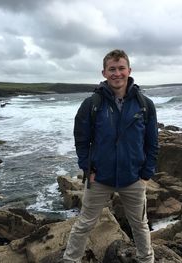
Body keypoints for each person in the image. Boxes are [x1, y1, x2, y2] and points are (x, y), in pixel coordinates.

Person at [63, 49, 158, 263]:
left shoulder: (144, 105)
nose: (117, 73)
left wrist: (145, 174)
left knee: (140, 225)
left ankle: (147, 260)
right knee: (84, 224)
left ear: (129, 70)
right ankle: (70, 260)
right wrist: (88, 169)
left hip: (133, 178)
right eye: (112, 69)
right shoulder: (92, 104)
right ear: (104, 72)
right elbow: (81, 139)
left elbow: (152, 143)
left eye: (121, 68)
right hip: (100, 178)